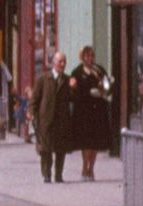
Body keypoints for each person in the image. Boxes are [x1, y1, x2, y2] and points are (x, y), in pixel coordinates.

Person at [69, 46, 112, 180]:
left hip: (98, 109)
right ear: (82, 57)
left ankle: (91, 169)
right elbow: (74, 91)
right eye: (87, 56)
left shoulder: (99, 70)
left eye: (92, 56)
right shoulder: (77, 71)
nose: (90, 58)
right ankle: (84, 168)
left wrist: (104, 88)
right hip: (83, 110)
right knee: (85, 142)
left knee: (95, 142)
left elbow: (107, 86)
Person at [32, 51, 72, 184]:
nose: (63, 64)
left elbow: (73, 99)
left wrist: (74, 88)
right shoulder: (43, 78)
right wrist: (31, 112)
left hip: (61, 119)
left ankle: (59, 175)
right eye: (60, 61)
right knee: (46, 149)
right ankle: (46, 174)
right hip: (46, 119)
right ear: (53, 62)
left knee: (60, 149)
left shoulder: (67, 80)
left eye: (64, 61)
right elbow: (35, 98)